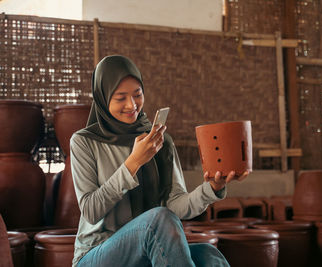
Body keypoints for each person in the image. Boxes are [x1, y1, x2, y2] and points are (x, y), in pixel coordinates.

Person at [70, 55, 249, 267]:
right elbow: (91, 211)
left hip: (145, 248)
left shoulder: (159, 141)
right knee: (157, 219)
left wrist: (212, 187)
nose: (131, 104)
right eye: (120, 98)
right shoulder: (84, 142)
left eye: (137, 94)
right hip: (97, 253)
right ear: (102, 97)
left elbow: (175, 206)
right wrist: (134, 162)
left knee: (209, 255)